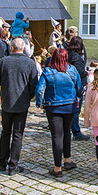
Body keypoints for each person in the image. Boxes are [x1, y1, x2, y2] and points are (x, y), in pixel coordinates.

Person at [36, 48, 82, 177]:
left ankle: (57, 168)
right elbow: (79, 87)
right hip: (70, 106)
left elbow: (39, 89)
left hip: (53, 107)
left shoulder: (48, 71)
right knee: (67, 131)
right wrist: (77, 98)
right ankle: (67, 160)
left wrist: (40, 103)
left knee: (57, 135)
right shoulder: (72, 70)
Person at [0, 38, 39, 175]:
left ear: (11, 48)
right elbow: (34, 84)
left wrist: (4, 90)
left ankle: (2, 162)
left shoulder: (3, 61)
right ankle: (13, 165)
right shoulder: (30, 63)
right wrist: (28, 96)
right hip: (22, 101)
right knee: (17, 134)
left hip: (7, 101)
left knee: (5, 132)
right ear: (24, 48)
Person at [67, 36, 89, 140]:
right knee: (76, 110)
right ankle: (76, 132)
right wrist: (87, 73)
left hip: (70, 84)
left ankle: (70, 129)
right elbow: (79, 72)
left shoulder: (69, 54)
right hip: (77, 86)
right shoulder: (76, 57)